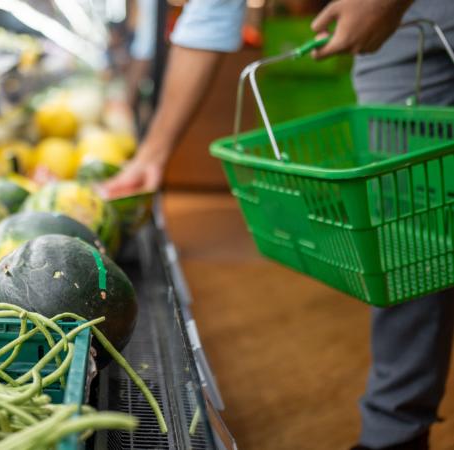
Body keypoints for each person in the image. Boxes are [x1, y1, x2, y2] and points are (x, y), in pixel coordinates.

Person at [100, 1, 454, 449]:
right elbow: (212, 14)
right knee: (403, 224)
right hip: (405, 31)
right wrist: (152, 155)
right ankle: (396, 433)